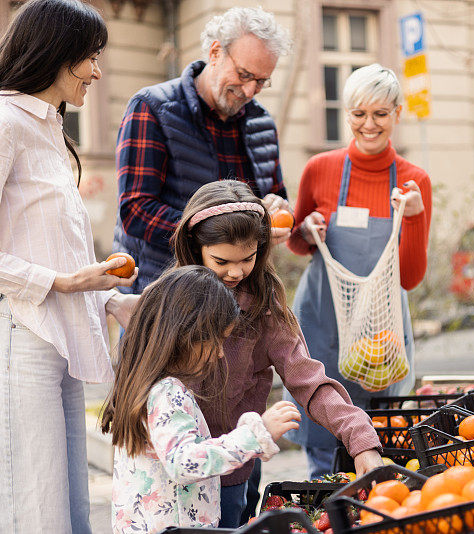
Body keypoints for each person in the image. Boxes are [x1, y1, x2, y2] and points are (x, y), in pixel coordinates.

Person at [0, 1, 139, 531]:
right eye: (90, 57)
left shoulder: (50, 133)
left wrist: (110, 299)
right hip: (12, 341)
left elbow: (53, 251)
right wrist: (63, 282)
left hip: (51, 342)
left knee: (65, 512)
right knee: (30, 515)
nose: (97, 70)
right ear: (56, 53)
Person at [170, 180, 383, 527]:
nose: (237, 272)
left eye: (248, 259)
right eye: (222, 261)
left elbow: (309, 381)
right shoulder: (168, 302)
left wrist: (360, 439)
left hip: (233, 475)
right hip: (169, 480)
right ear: (195, 247)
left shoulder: (264, 308)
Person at [285, 64, 432, 478]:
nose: (369, 125)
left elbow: (409, 278)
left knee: (375, 438)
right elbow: (296, 241)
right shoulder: (320, 168)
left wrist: (415, 217)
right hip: (322, 322)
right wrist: (308, 230)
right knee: (320, 424)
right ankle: (324, 506)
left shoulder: (414, 180)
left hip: (380, 332)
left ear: (397, 114)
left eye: (380, 114)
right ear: (345, 114)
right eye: (358, 114)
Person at [101, 265, 300, 532]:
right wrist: (255, 435)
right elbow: (185, 462)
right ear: (186, 335)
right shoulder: (167, 392)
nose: (219, 353)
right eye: (216, 341)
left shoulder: (144, 381)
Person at [112, 6, 292, 294]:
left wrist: (278, 210)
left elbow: (277, 194)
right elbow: (136, 210)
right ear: (215, 52)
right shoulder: (152, 108)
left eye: (260, 81)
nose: (249, 91)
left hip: (241, 294)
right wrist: (215, 234)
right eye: (244, 74)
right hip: (165, 290)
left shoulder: (262, 122)